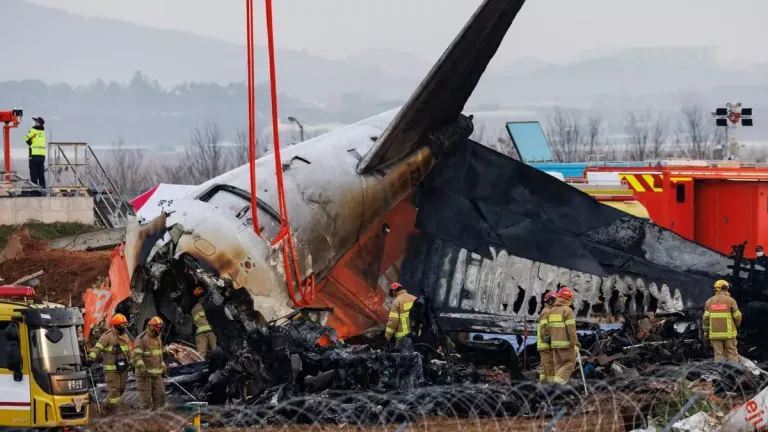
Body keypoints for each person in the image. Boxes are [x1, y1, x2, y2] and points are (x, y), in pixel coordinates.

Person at [88, 314, 132, 411]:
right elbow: (98, 348)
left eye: (125, 325)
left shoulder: (125, 336)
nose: (124, 327)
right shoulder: (107, 336)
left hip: (123, 369)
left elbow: (129, 350)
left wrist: (133, 362)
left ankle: (107, 407)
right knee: (114, 391)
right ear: (116, 325)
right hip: (111, 371)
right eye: (122, 325)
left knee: (121, 389)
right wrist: (91, 358)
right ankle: (112, 411)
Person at [132, 316, 167, 410]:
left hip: (157, 374)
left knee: (161, 396)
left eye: (160, 329)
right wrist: (142, 367)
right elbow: (136, 356)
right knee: (146, 401)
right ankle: (145, 422)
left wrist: (162, 364)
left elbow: (159, 354)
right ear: (151, 327)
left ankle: (158, 419)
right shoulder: (142, 339)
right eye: (158, 328)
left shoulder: (158, 338)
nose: (159, 331)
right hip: (145, 375)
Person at [703, 280, 742, 363]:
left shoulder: (709, 302)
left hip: (715, 334)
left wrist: (706, 333)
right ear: (725, 288)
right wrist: (736, 326)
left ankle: (719, 373)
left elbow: (705, 319)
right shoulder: (731, 301)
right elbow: (738, 316)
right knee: (732, 353)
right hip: (729, 334)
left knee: (718, 354)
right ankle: (734, 372)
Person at [548, 286, 580, 385]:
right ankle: (555, 387)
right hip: (565, 344)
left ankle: (554, 390)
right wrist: (575, 343)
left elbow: (550, 328)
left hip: (555, 344)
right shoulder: (567, 310)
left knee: (559, 366)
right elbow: (571, 330)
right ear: (569, 298)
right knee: (569, 365)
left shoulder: (552, 310)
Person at [384, 282, 417, 353]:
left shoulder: (396, 302)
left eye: (392, 292)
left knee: (402, 358)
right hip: (415, 334)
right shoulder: (414, 298)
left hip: (402, 337)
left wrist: (388, 335)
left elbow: (393, 321)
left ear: (394, 291)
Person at [537, 291, 558, 383]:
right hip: (545, 344)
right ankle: (551, 384)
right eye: (554, 301)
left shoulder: (548, 311)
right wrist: (548, 338)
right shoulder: (547, 312)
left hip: (543, 344)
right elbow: (543, 327)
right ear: (550, 301)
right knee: (550, 365)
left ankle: (542, 384)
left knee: (544, 366)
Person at [191, 287, 217, 356]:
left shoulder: (193, 309)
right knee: (216, 351)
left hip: (200, 333)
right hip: (211, 331)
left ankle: (199, 366)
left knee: (200, 355)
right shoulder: (209, 304)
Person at [25, 117, 46, 188]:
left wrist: (30, 142)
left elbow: (26, 139)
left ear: (39, 123)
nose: (34, 122)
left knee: (34, 174)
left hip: (33, 155)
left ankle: (35, 191)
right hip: (42, 156)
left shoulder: (33, 130)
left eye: (35, 121)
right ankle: (43, 190)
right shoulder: (42, 132)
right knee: (41, 174)